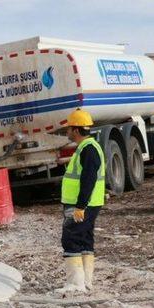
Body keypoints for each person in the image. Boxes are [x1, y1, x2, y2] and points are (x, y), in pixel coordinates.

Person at [55, 108, 105, 294]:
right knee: (84, 239)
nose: (67, 132)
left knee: (72, 238)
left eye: (68, 129)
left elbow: (88, 179)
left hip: (82, 204)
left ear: (76, 130)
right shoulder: (88, 147)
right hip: (89, 203)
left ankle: (76, 285)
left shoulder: (88, 149)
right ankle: (86, 282)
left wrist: (80, 206)